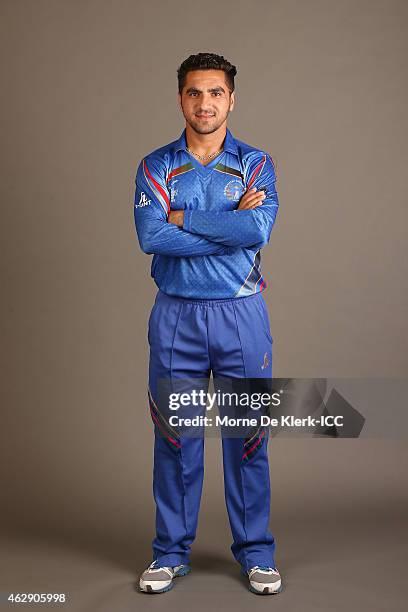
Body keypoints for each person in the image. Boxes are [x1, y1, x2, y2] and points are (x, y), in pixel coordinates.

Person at [133, 52, 282, 595]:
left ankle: (257, 552)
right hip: (176, 316)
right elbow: (153, 237)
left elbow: (257, 230)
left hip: (241, 315)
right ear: (180, 99)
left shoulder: (257, 164)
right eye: (195, 93)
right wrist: (228, 220)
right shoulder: (155, 166)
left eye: (216, 92)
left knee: (249, 436)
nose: (205, 103)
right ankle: (169, 551)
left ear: (231, 99)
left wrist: (185, 218)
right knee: (175, 437)